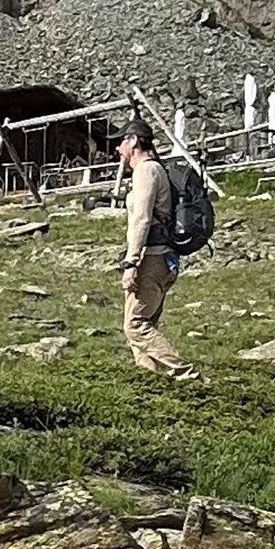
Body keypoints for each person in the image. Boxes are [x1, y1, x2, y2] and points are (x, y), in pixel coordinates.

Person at [115, 120, 199, 381]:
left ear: (133, 141)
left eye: (121, 141)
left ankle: (187, 373)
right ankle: (149, 382)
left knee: (135, 326)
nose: (117, 148)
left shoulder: (146, 171)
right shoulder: (156, 169)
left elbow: (141, 218)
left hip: (151, 258)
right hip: (164, 257)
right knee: (144, 324)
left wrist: (131, 263)